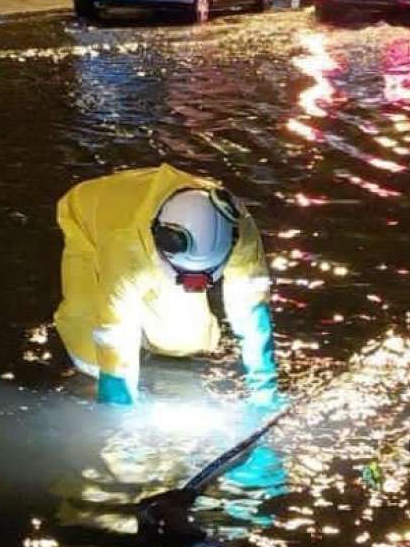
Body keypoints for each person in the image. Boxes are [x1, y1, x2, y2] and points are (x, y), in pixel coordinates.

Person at [54, 164, 278, 406]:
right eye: (186, 277)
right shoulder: (126, 247)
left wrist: (263, 386)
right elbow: (113, 327)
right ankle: (99, 367)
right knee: (89, 343)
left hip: (141, 233)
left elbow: (251, 303)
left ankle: (143, 332)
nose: (194, 287)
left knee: (186, 341)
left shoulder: (238, 225)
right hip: (87, 221)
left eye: (203, 279)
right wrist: (117, 402)